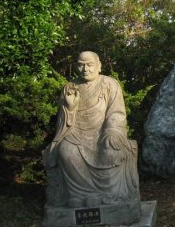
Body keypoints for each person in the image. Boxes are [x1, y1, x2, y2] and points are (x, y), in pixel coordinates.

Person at [43, 51, 139, 208]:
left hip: (102, 134)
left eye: (89, 65)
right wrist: (70, 107)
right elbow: (63, 122)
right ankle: (80, 194)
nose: (85, 69)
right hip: (77, 134)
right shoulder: (70, 87)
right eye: (81, 65)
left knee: (111, 149)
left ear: (99, 66)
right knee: (66, 150)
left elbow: (117, 113)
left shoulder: (110, 84)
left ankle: (110, 194)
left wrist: (113, 130)